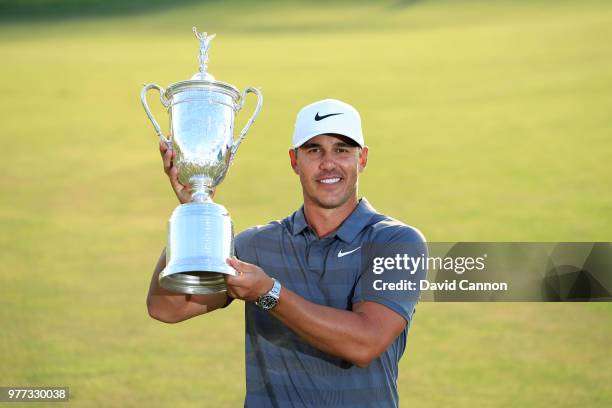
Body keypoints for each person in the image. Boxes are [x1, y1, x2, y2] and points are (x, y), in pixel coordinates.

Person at [146, 99, 427, 407]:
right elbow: (167, 308)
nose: (329, 163)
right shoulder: (255, 245)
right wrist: (194, 210)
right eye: (314, 150)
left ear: (362, 159)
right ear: (294, 161)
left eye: (342, 150)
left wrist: (270, 293)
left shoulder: (397, 243)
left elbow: (365, 343)